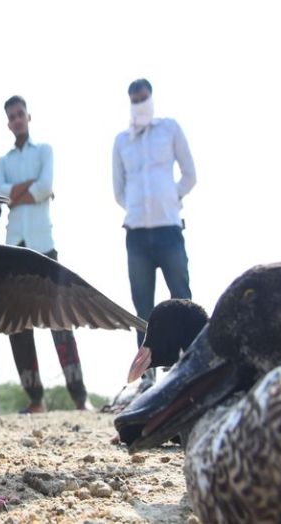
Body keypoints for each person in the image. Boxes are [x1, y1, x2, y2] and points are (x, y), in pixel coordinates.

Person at [0, 95, 89, 413]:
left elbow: (45, 186)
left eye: (21, 114)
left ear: (28, 117)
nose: (17, 120)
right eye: (12, 116)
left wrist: (19, 191)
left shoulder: (44, 150)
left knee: (60, 320)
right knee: (17, 326)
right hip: (14, 248)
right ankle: (36, 399)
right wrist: (25, 189)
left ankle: (79, 396)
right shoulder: (3, 161)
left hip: (43, 245)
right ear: (8, 122)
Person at [112, 79, 196, 357]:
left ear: (151, 97)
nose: (140, 103)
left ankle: (193, 362)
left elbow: (189, 175)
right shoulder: (122, 140)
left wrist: (171, 198)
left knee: (182, 299)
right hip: (136, 234)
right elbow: (119, 190)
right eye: (134, 99)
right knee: (142, 308)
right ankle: (148, 375)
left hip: (169, 229)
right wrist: (136, 207)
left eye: (143, 97)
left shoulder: (170, 128)